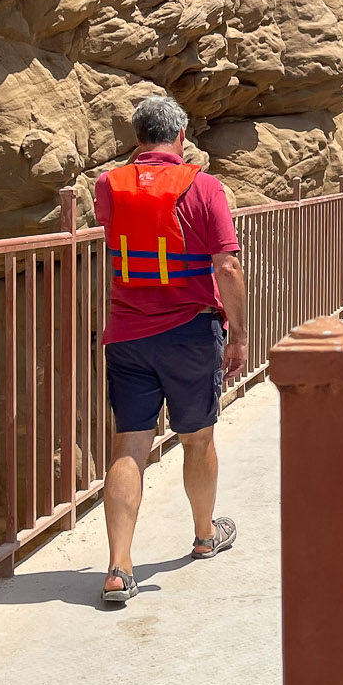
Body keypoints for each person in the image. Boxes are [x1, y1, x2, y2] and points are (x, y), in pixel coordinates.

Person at [94, 95, 248, 607]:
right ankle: (205, 535)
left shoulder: (108, 185)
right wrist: (240, 334)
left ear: (137, 138)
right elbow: (227, 266)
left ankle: (118, 568)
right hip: (190, 333)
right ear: (181, 135)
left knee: (130, 447)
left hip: (127, 333)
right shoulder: (204, 187)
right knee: (197, 438)